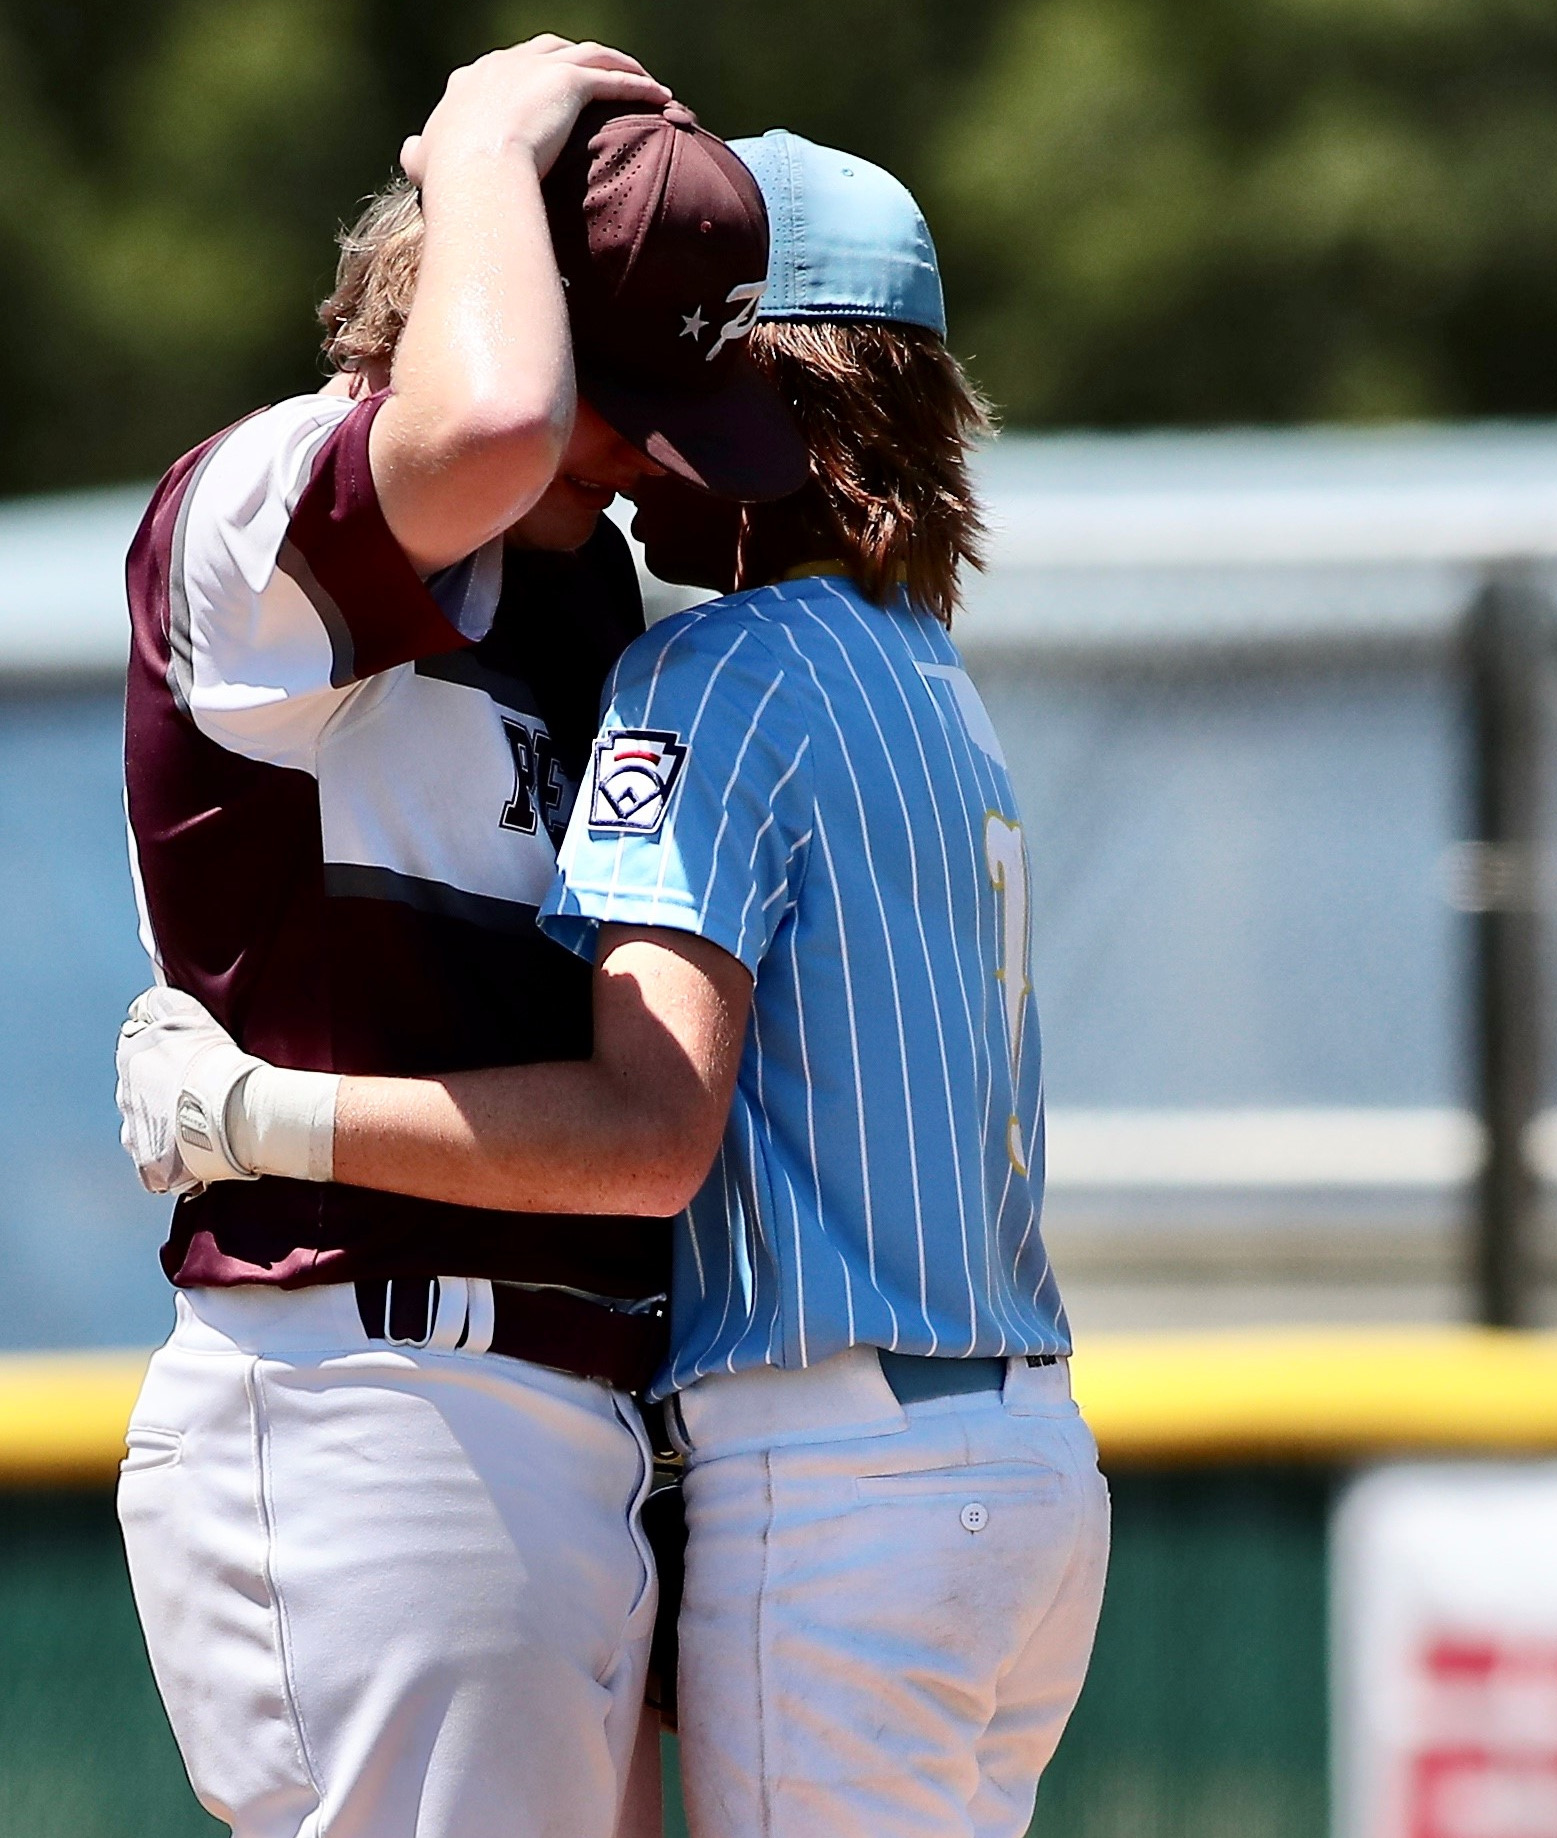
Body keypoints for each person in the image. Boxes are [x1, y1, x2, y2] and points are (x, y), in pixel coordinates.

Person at [121, 134, 1109, 1838]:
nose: (656, 478)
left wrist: (256, 1113)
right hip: (917, 1452)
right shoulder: (931, 688)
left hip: (772, 1454)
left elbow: (647, 1129)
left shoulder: (686, 656)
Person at [108, 34, 801, 1838]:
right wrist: (483, 137)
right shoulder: (258, 498)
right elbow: (486, 423)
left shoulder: (585, 595)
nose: (655, 463)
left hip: (550, 1425)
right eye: (623, 386)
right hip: (369, 1393)